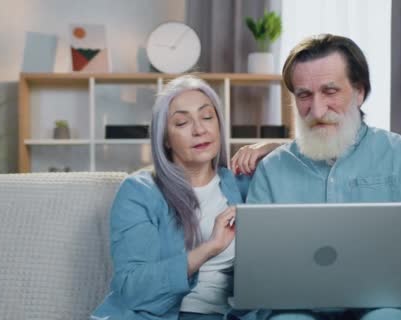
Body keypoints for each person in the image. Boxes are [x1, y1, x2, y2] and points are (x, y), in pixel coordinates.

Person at [246, 34, 401, 320]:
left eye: (330, 91)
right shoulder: (272, 169)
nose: (316, 110)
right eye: (304, 95)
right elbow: (253, 265)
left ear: (360, 92)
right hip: (300, 309)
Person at [91, 75, 277, 320]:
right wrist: (209, 249)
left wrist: (272, 146)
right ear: (165, 139)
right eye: (182, 123)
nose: (200, 130)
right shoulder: (139, 191)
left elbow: (314, 155)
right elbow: (132, 288)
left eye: (207, 117)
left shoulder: (242, 184)